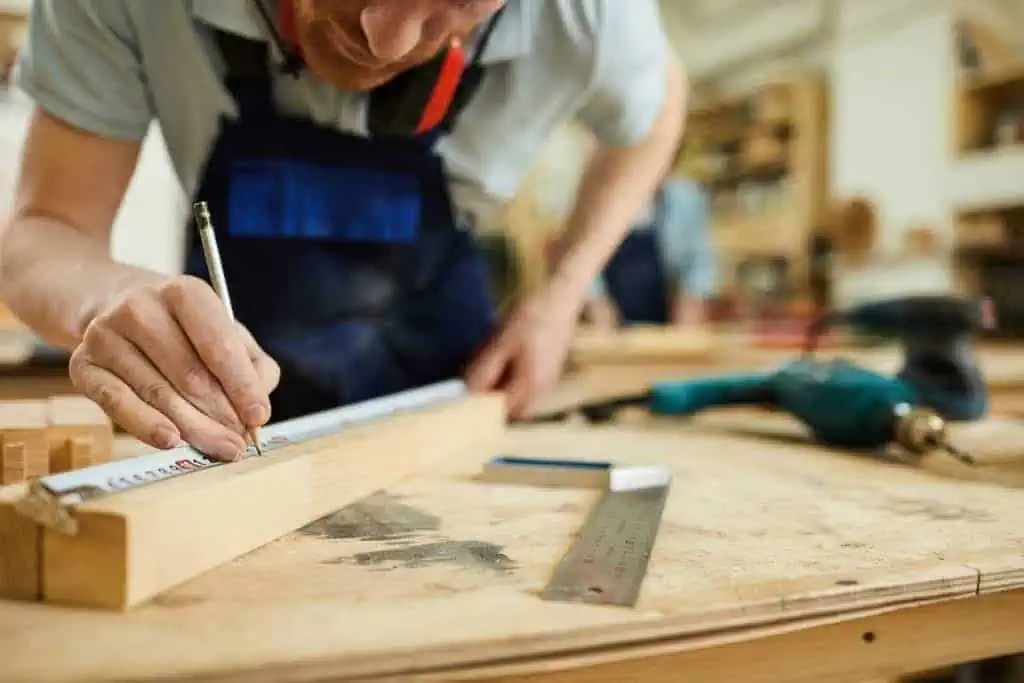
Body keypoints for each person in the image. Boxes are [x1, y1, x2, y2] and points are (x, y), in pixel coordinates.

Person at [0, 0, 685, 462]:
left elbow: (656, 115)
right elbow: (45, 232)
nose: (386, 40)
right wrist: (104, 293)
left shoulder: (593, 16)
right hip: (229, 435)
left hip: (450, 412)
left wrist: (562, 294)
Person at [583, 176, 717, 328]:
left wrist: (691, 303)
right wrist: (596, 304)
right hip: (608, 321)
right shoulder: (599, 196)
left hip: (664, 319)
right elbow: (582, 262)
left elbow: (699, 262)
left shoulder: (686, 198)